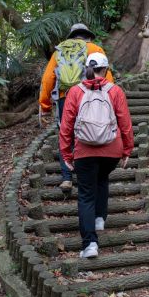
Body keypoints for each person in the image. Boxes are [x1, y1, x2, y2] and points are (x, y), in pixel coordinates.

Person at [59, 52, 133, 259]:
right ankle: (100, 218)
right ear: (106, 70)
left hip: (84, 151)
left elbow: (66, 127)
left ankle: (90, 244)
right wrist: (127, 149)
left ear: (87, 69)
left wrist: (66, 153)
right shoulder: (115, 91)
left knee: (85, 194)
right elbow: (125, 123)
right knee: (102, 178)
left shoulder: (75, 92)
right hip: (111, 150)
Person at [39, 23, 114, 193]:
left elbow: (47, 79)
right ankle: (87, 175)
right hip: (90, 97)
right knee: (90, 131)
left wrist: (44, 105)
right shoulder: (95, 48)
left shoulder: (60, 51)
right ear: (87, 36)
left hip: (65, 98)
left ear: (72, 36)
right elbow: (107, 77)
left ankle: (67, 178)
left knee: (66, 133)